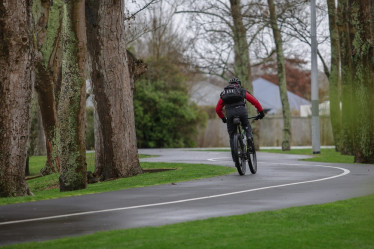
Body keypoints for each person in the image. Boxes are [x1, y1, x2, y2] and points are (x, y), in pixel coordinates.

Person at [216, 77, 265, 149]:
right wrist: (261, 112)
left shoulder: (224, 93)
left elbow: (218, 109)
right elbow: (254, 101)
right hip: (241, 111)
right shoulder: (241, 91)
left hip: (230, 114)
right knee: (246, 125)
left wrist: (223, 118)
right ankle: (249, 139)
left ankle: (234, 152)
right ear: (239, 84)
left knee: (232, 134)